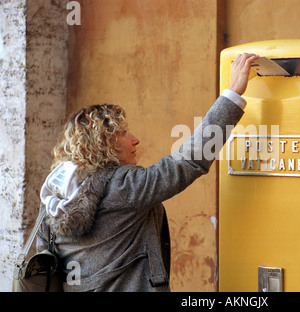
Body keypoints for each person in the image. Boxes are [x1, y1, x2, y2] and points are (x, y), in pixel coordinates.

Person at [36, 53, 260, 292]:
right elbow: (188, 163)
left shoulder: (54, 192)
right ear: (103, 143)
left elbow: (45, 255)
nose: (135, 140)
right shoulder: (122, 187)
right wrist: (232, 94)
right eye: (123, 134)